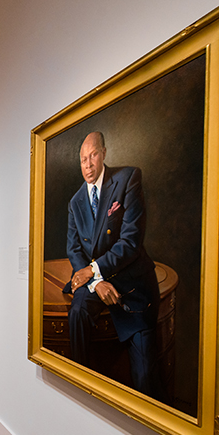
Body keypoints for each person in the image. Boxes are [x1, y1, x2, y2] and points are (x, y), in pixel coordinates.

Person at [64, 131, 161, 398]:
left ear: (104, 153)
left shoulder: (128, 179)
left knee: (145, 378)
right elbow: (74, 250)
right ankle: (80, 390)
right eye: (83, 159)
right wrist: (96, 282)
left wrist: (93, 270)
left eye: (93, 155)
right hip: (96, 281)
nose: (88, 164)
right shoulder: (75, 202)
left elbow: (130, 241)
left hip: (132, 283)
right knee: (77, 311)